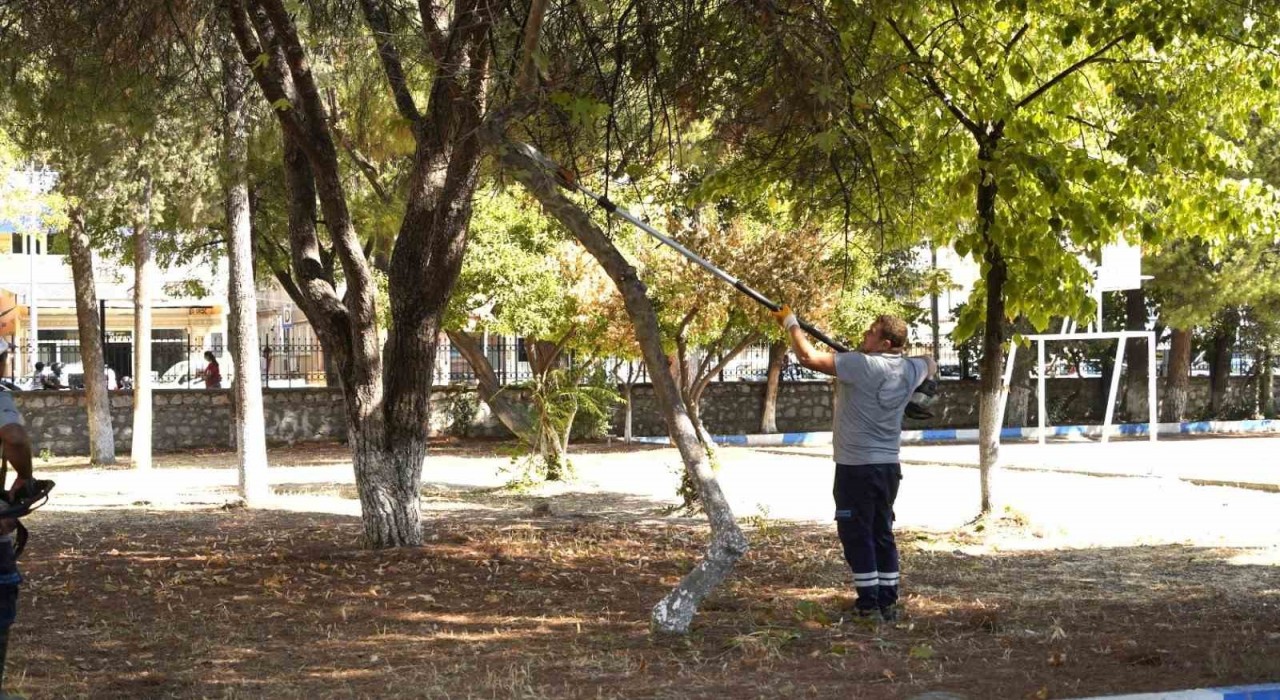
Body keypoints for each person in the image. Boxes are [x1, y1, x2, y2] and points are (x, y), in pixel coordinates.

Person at [774, 307, 935, 622]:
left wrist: (791, 323)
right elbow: (930, 362)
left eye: (872, 332)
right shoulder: (910, 368)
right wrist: (925, 388)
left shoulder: (861, 365)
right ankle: (887, 601)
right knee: (881, 531)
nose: (865, 334)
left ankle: (868, 604)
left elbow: (808, 357)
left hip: (856, 467)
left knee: (856, 533)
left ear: (885, 343)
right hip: (888, 467)